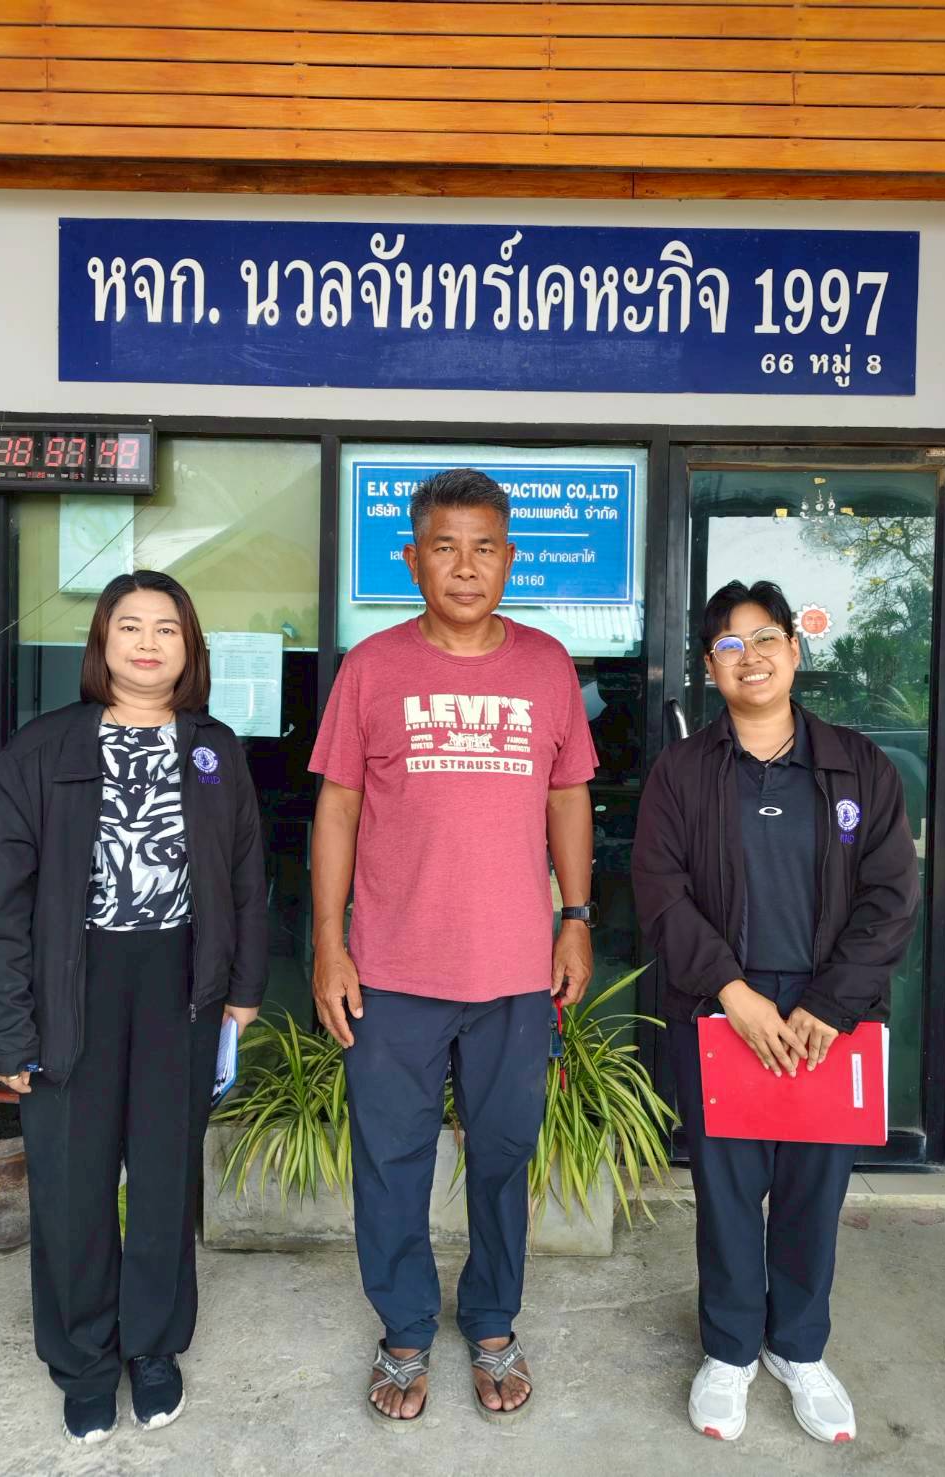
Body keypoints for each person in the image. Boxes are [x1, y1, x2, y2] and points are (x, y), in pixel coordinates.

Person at [309, 468, 597, 1428]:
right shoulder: (371, 667)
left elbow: (567, 795)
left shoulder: (548, 666)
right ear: (412, 559)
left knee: (503, 1155)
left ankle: (491, 1320)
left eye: (484, 548)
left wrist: (575, 915)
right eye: (445, 546)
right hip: (392, 969)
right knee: (390, 1158)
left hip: (516, 968)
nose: (465, 567)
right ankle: (402, 1329)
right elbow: (338, 806)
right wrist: (329, 941)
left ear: (510, 559)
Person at [0, 570, 268, 1446]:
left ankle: (154, 1346)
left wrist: (243, 992)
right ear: (101, 641)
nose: (147, 642)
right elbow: (0, 905)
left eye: (166, 628)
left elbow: (246, 878)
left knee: (166, 1178)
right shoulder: (42, 749)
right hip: (71, 986)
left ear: (189, 647)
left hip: (181, 985)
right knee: (73, 1184)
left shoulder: (213, 749)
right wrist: (7, 1031)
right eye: (129, 626)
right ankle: (84, 1361)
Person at [632, 579, 919, 1446]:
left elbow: (892, 895)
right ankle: (728, 1351)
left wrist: (829, 1002)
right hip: (722, 1004)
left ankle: (798, 1347)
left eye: (764, 639)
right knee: (725, 1190)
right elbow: (660, 891)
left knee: (812, 1188)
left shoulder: (859, 766)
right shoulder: (684, 771)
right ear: (709, 666)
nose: (749, 656)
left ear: (794, 650)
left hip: (831, 1013)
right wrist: (732, 990)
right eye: (729, 644)